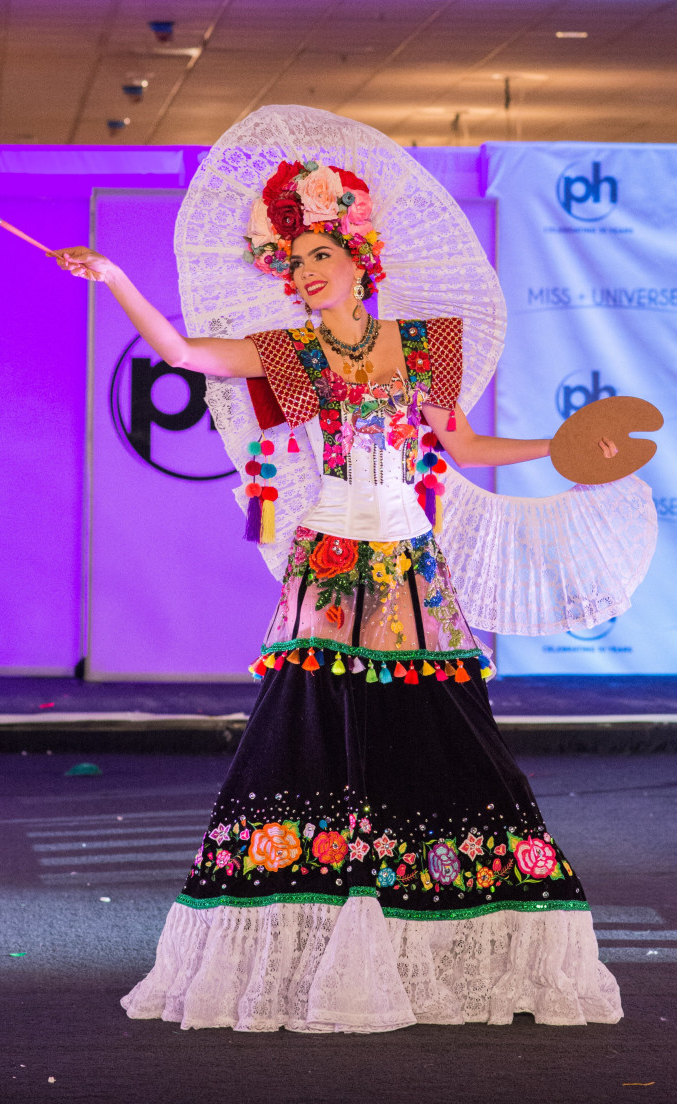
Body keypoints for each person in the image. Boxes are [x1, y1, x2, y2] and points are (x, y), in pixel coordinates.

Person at [54, 126, 634, 1033]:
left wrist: (561, 451)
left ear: (361, 257)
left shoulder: (426, 342)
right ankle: (318, 921)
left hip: (407, 561)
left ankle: (443, 916)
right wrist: (118, 281)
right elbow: (183, 355)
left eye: (320, 252)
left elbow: (466, 447)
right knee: (310, 736)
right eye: (294, 261)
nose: (305, 271)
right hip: (327, 561)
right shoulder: (293, 353)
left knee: (443, 737)